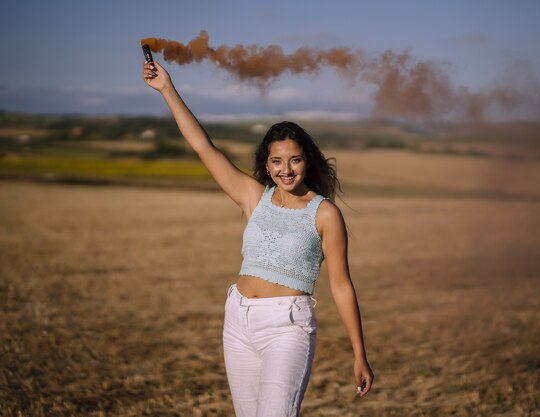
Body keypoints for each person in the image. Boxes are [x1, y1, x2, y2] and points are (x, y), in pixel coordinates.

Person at [143, 60, 374, 417]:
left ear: (306, 163)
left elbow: (341, 285)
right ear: (266, 165)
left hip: (287, 327)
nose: (286, 170)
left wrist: (359, 353)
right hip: (237, 318)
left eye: (295, 160)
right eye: (277, 161)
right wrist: (167, 90)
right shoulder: (254, 196)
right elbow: (204, 147)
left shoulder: (325, 214)